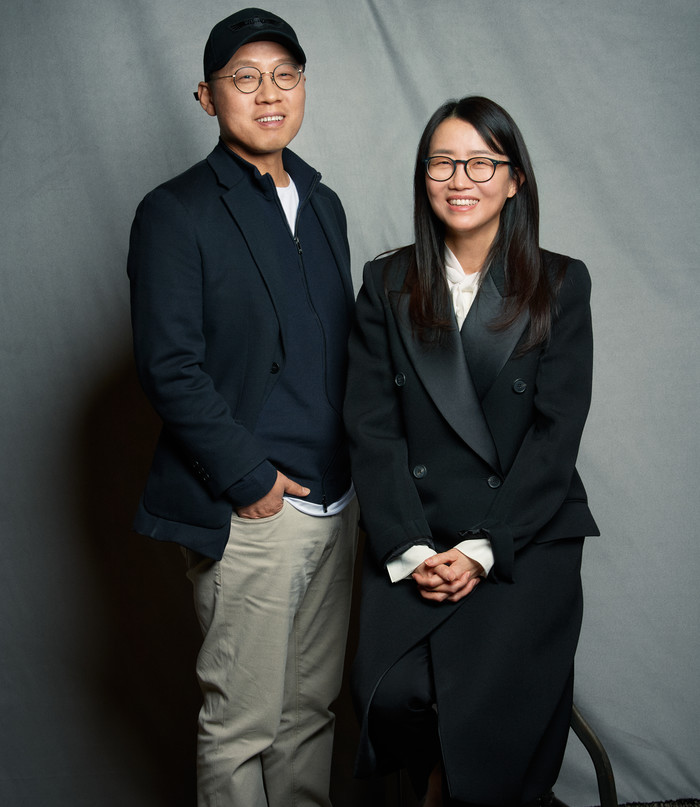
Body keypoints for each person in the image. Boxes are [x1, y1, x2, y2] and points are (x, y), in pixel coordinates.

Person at [127, 8, 358, 806]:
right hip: (256, 509)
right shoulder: (176, 210)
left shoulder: (324, 204)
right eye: (245, 77)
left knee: (310, 715)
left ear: (303, 89)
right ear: (207, 95)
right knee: (243, 726)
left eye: (284, 76)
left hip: (338, 502)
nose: (269, 93)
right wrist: (250, 480)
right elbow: (168, 365)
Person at [344, 96, 599, 806]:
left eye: (482, 163)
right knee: (393, 696)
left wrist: (487, 548)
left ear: (515, 180)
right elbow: (372, 427)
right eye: (443, 163)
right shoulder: (386, 284)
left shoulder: (560, 282)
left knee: (483, 719)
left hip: (523, 537)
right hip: (417, 534)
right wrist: (410, 547)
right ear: (423, 176)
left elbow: (556, 434)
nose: (461, 179)